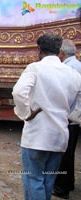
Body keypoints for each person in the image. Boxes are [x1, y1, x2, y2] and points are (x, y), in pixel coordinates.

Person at [12, 34, 81, 200]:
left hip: (37, 136)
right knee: (48, 180)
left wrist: (26, 114)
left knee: (34, 179)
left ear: (39, 50)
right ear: (59, 51)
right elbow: (77, 102)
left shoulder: (35, 68)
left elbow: (19, 92)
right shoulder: (73, 74)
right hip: (59, 137)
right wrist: (67, 114)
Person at [52, 39, 81, 199]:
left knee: (64, 154)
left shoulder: (68, 68)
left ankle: (62, 188)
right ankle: (68, 182)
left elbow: (64, 95)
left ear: (61, 54)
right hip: (74, 117)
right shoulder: (76, 65)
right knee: (68, 153)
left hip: (70, 117)